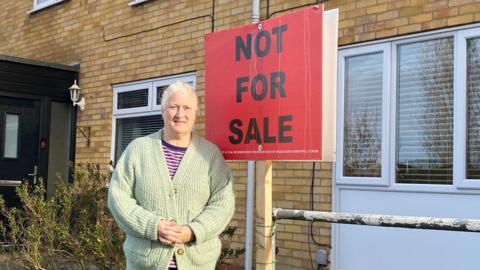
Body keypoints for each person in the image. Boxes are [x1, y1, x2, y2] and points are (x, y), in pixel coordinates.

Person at [108, 80, 235, 270]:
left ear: (196, 113)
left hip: (197, 263)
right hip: (146, 262)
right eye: (173, 107)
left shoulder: (210, 155)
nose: (180, 114)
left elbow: (223, 203)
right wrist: (153, 225)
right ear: (162, 111)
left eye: (187, 108)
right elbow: (118, 198)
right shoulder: (138, 149)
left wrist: (193, 231)